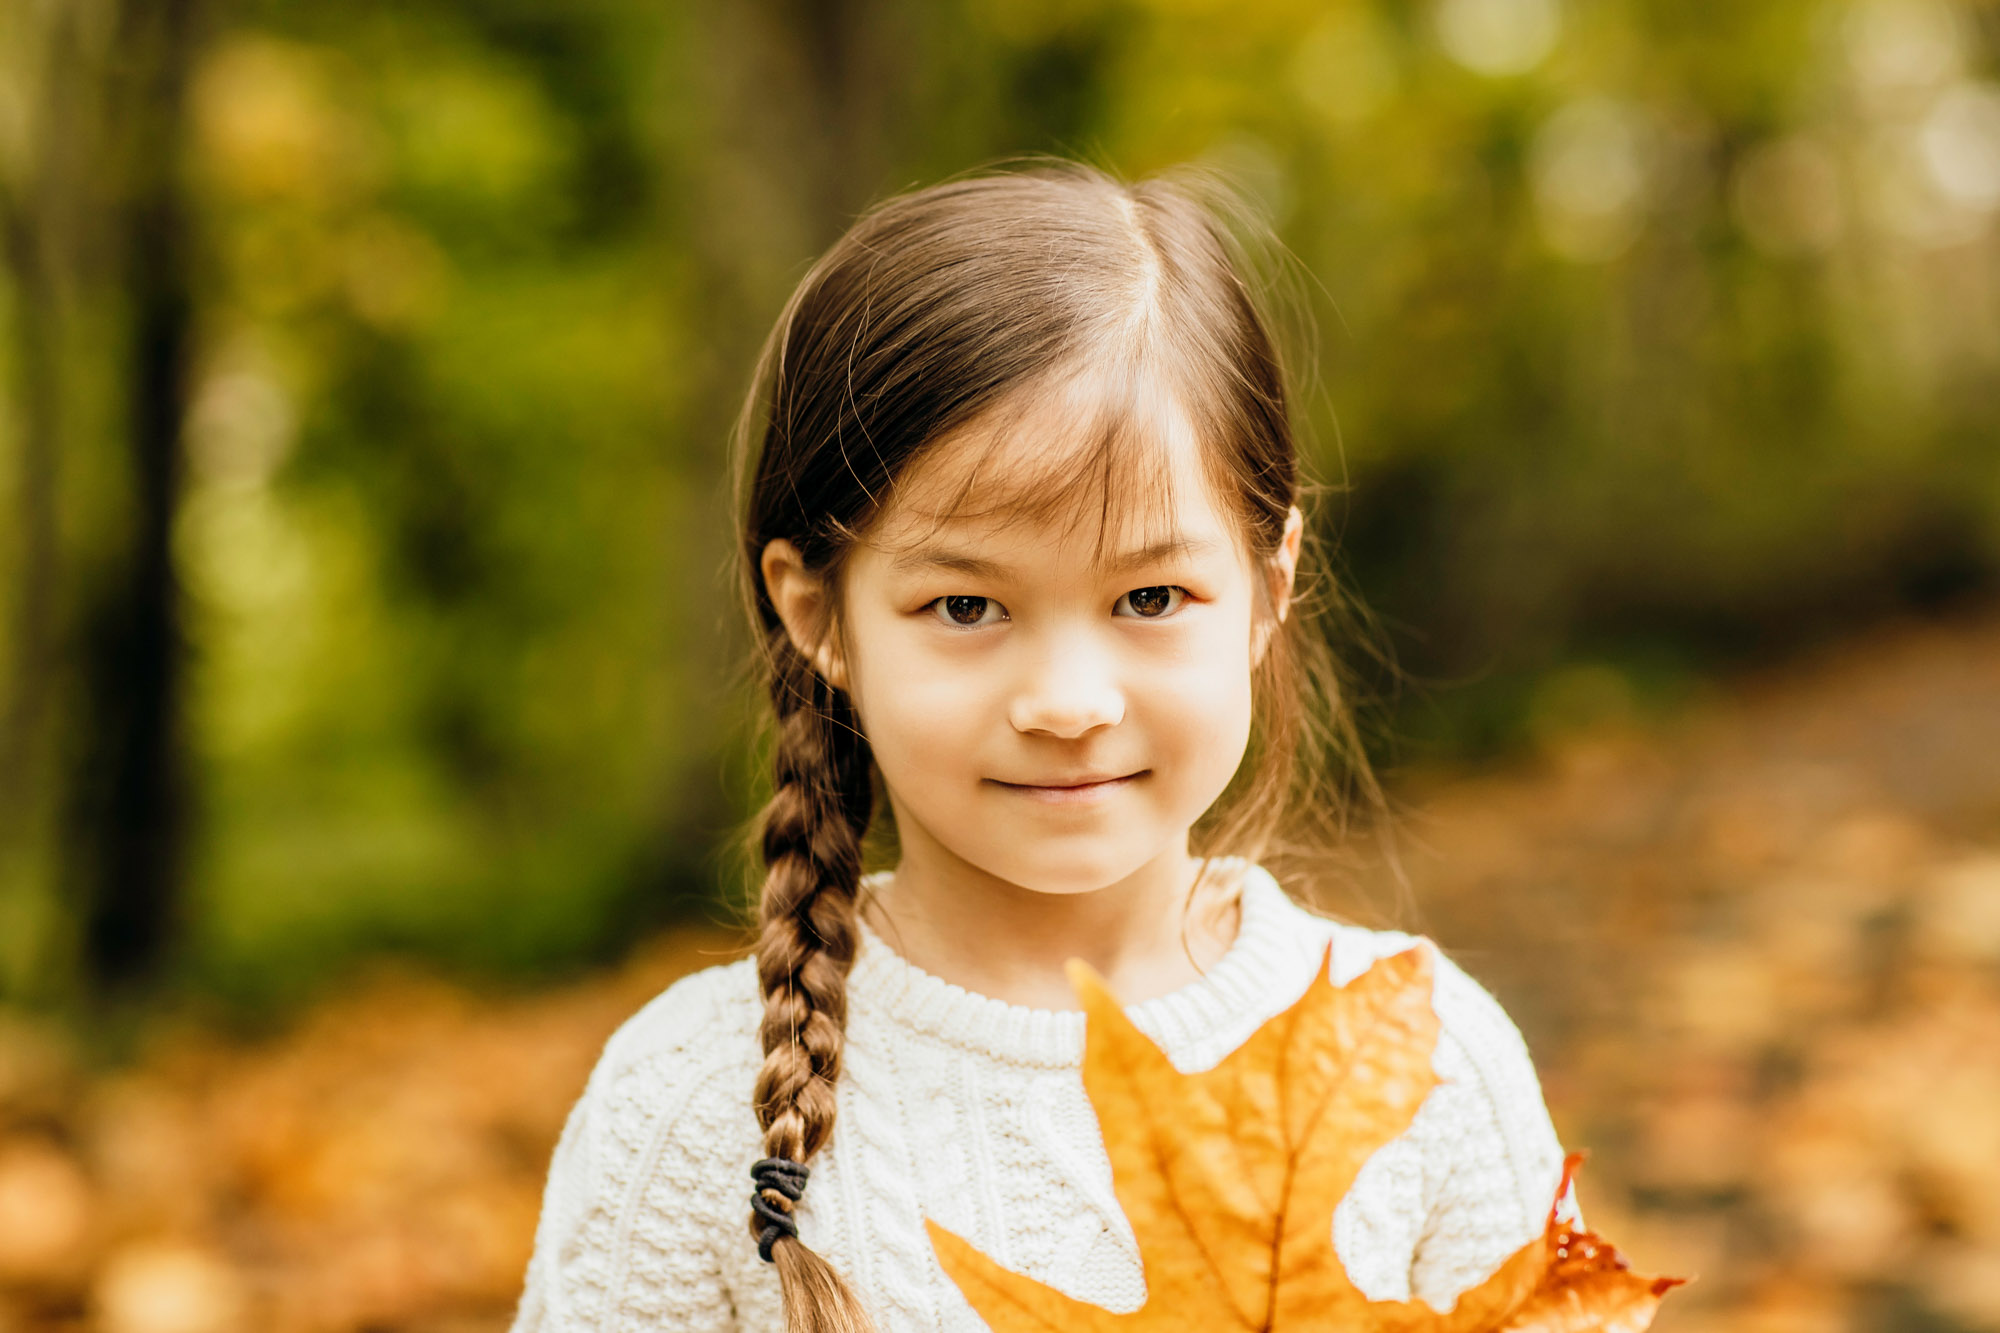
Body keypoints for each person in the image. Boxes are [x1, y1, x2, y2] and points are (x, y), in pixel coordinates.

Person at [508, 159, 1574, 1333]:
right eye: (966, 608)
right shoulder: (685, 1107)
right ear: (817, 615)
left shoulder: (1419, 1060)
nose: (1067, 702)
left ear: (1270, 587)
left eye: (1152, 597)